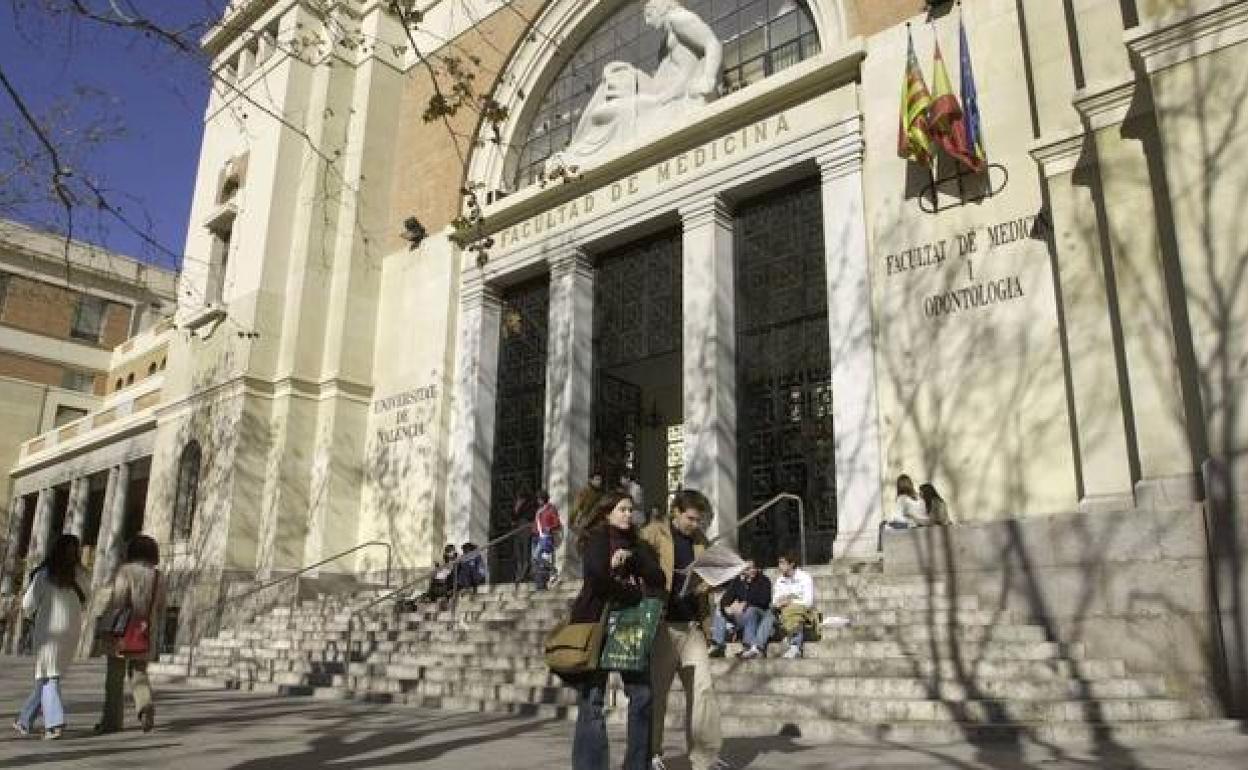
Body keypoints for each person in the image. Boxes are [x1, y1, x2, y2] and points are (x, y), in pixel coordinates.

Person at [545, 0, 723, 175]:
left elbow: (712, 43)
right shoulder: (668, 38)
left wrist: (708, 79)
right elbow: (665, 78)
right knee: (610, 86)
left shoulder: (679, 19)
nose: (648, 22)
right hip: (663, 95)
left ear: (660, 7)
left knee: (606, 112)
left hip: (670, 98)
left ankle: (574, 157)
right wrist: (632, 73)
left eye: (649, 14)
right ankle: (574, 153)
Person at [565, 491, 665, 770]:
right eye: (621, 509)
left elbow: (659, 577)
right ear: (607, 512)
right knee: (593, 699)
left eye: (630, 510)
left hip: (631, 625)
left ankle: (637, 765)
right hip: (597, 622)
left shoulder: (638, 544)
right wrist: (629, 591)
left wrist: (633, 561)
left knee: (642, 695)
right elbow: (596, 579)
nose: (627, 515)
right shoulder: (598, 540)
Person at [640, 489, 728, 770]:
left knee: (703, 689)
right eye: (690, 518)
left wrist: (714, 580)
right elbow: (637, 565)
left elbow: (705, 580)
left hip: (692, 626)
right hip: (662, 624)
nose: (694, 525)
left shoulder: (701, 541)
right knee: (658, 692)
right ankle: (651, 753)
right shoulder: (653, 533)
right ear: (675, 511)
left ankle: (705, 757)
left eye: (699, 520)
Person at [13, 534, 89, 740]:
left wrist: (32, 616)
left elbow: (28, 605)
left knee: (49, 676)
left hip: (48, 632)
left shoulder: (44, 575)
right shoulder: (81, 574)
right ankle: (24, 720)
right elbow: (86, 599)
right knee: (46, 676)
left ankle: (54, 724)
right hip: (71, 631)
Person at [97, 534, 165, 734]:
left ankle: (111, 721)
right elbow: (161, 606)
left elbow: (119, 600)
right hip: (145, 631)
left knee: (114, 679)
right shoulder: (159, 577)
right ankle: (144, 706)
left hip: (122, 631)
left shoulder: (125, 572)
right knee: (139, 673)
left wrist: (108, 624)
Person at [708, 559, 773, 660]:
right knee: (719, 611)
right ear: (742, 571)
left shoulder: (764, 580)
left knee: (751, 610)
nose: (752, 570)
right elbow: (725, 599)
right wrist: (727, 608)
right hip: (742, 614)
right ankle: (718, 644)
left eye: (753, 567)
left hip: (759, 613)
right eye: (748, 569)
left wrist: (746, 603)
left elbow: (764, 600)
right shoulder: (738, 581)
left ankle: (748, 645)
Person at [773, 552, 817, 659]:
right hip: (783, 610)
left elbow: (808, 602)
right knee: (770, 614)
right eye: (779, 563)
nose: (780, 566)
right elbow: (775, 601)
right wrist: (783, 603)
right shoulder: (780, 580)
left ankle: (795, 646)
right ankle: (756, 646)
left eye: (782, 563)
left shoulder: (804, 577)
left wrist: (790, 601)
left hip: (803, 611)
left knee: (792, 612)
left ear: (791, 564)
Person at [879, 474, 929, 550]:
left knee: (883, 525)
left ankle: (882, 550)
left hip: (912, 524)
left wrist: (892, 521)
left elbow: (897, 517)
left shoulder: (902, 498)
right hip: (924, 521)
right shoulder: (920, 496)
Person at [532, 491, 562, 590]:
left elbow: (557, 523)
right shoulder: (539, 510)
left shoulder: (551, 509)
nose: (538, 501)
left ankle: (553, 570)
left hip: (545, 537)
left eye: (539, 499)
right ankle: (540, 584)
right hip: (536, 536)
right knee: (537, 561)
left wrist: (550, 527)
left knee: (537, 556)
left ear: (544, 498)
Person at [511, 487, 539, 583]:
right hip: (517, 529)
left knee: (526, 551)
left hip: (525, 528)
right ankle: (518, 574)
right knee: (518, 552)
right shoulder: (516, 505)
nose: (518, 499)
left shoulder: (531, 504)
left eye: (520, 497)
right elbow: (513, 517)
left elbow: (531, 516)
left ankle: (524, 573)